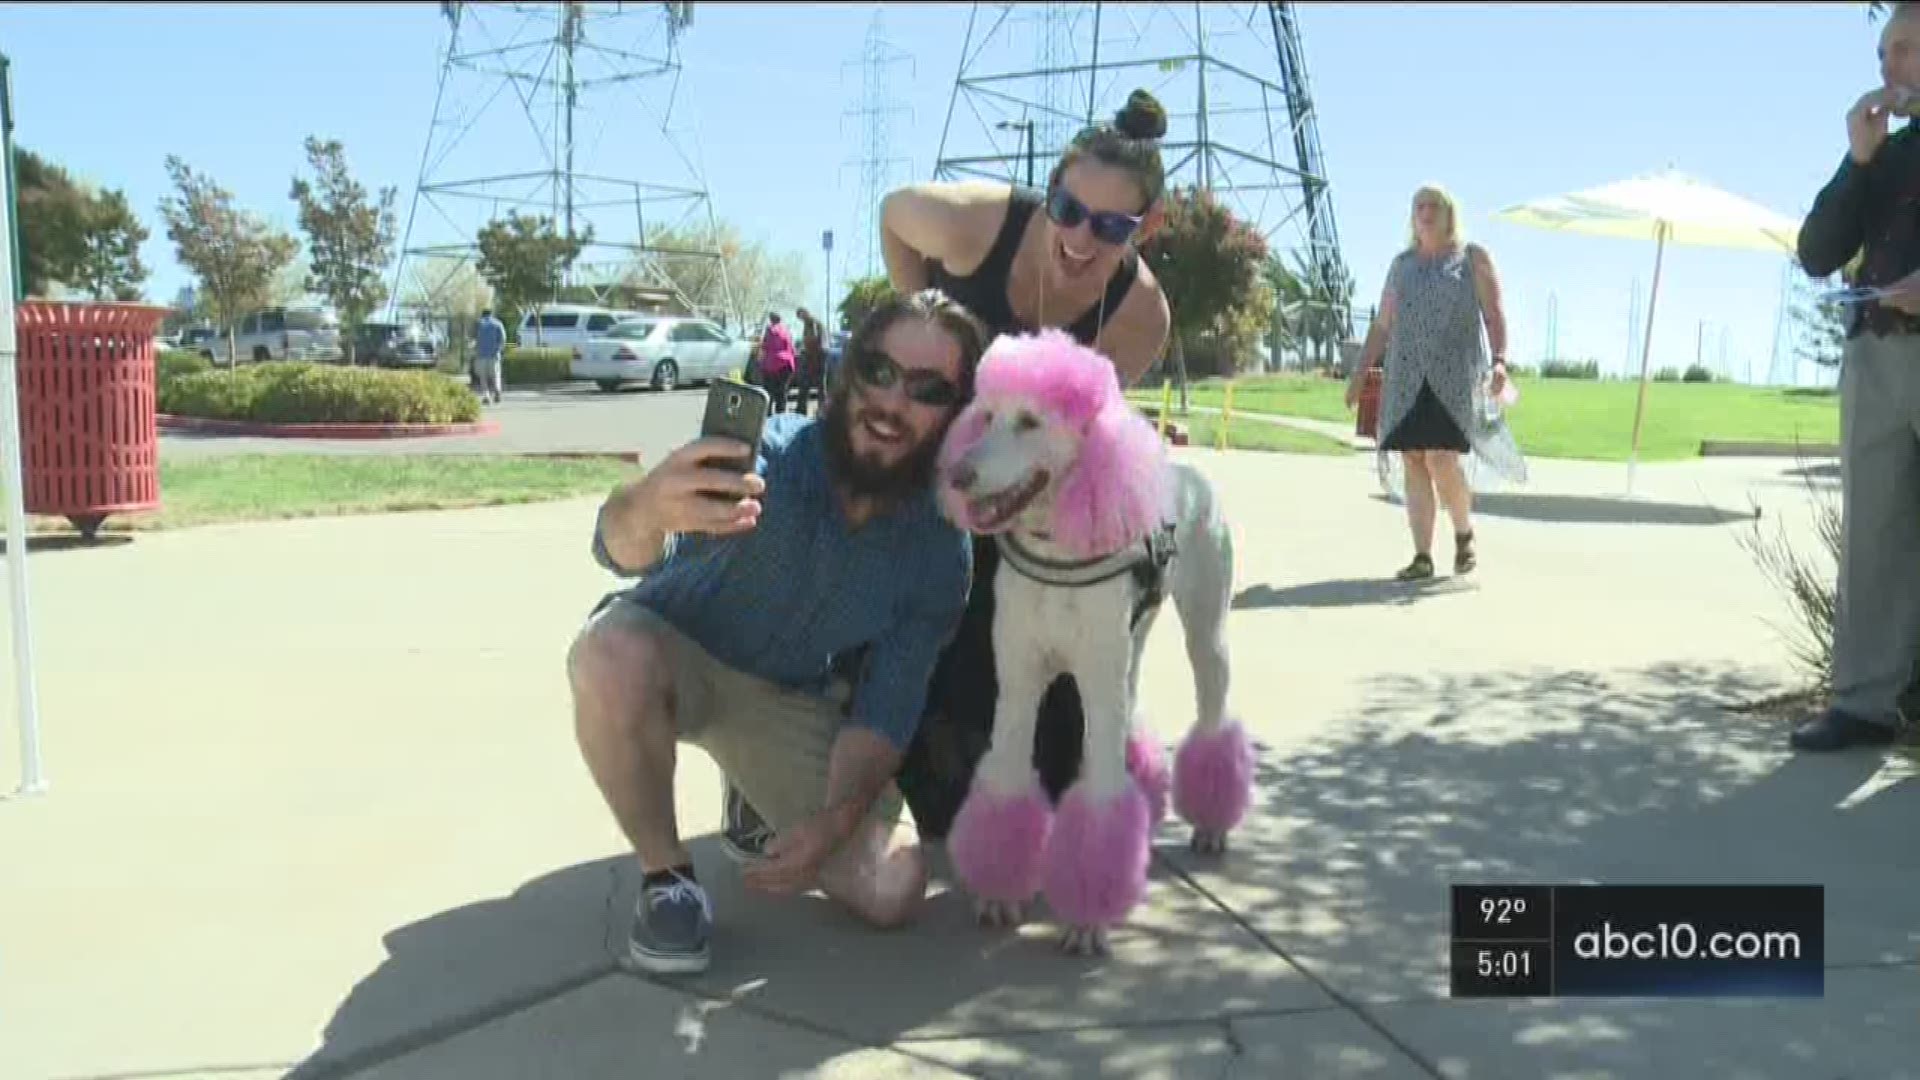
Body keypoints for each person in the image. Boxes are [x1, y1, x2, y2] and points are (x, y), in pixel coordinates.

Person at [568, 289, 985, 975]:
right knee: (609, 654)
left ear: (959, 414)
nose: (891, 401)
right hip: (673, 654)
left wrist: (837, 818)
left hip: (783, 697)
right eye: (878, 371)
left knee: (893, 888)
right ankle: (667, 882)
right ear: (849, 375)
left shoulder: (941, 554)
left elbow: (886, 709)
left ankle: (752, 797)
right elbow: (622, 547)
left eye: (927, 388)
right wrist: (645, 507)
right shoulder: (770, 458)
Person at [869, 88, 1173, 838]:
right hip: (932, 457)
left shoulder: (1140, 317)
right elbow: (892, 213)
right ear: (1053, 189)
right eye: (1068, 209)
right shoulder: (975, 223)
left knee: (1047, 768)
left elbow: (1076, 447)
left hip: (1016, 507)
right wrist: (933, 328)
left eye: (1111, 227)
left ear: (1147, 228)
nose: (1079, 238)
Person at [1788, 0, 1920, 753]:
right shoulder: (1882, 155)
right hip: (1874, 359)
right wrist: (1857, 160)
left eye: (1902, 50)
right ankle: (1864, 705)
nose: (1887, 69)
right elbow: (1815, 251)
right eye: (1882, 56)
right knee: (1872, 536)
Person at [1344, 184, 1508, 581]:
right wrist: (1360, 373)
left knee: (1439, 456)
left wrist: (1500, 361)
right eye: (1419, 206)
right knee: (1414, 458)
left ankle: (1464, 533)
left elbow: (1494, 315)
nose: (1426, 212)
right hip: (1405, 377)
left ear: (1449, 213)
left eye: (1434, 205)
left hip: (1454, 378)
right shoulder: (1401, 265)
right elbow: (1383, 326)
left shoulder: (1472, 259)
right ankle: (1422, 556)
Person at [758, 312, 798, 414]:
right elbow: (792, 348)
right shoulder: (786, 330)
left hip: (772, 363)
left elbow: (765, 346)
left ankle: (768, 416)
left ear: (771, 320)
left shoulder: (770, 329)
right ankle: (781, 415)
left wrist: (760, 360)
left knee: (769, 392)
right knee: (782, 392)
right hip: (787, 364)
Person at [795, 307, 828, 417]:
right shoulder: (814, 322)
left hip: (816, 355)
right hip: (819, 354)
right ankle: (821, 410)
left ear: (805, 313)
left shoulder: (811, 322)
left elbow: (812, 338)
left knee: (808, 383)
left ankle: (802, 410)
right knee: (820, 385)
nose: (801, 319)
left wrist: (808, 354)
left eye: (801, 316)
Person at [473, 308, 506, 405]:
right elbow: (503, 339)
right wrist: (499, 350)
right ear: (492, 314)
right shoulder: (498, 324)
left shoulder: (478, 324)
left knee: (483, 377)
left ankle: (486, 396)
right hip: (494, 354)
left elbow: (473, 339)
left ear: (482, 314)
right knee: (495, 375)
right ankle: (497, 391)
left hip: (481, 355)